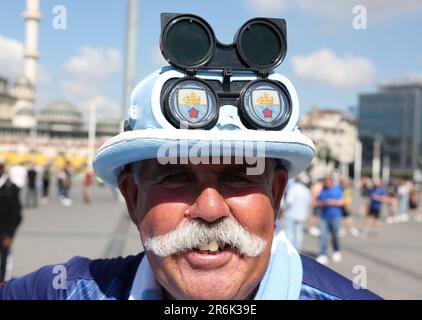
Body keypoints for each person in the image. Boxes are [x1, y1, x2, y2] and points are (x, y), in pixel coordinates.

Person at [0, 13, 381, 300]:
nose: (210, 208)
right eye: (175, 177)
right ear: (132, 197)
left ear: (277, 194)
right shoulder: (69, 290)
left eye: (239, 176)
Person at [0, 162, 22, 282]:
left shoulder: (12, 188)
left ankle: (3, 285)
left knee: (5, 260)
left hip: (4, 231)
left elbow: (16, 215)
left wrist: (10, 235)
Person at [316, 176, 344, 265]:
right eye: (325, 182)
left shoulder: (337, 190)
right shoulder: (323, 191)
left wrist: (332, 202)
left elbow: (342, 202)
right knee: (323, 235)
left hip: (335, 216)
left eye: (328, 182)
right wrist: (324, 203)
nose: (326, 183)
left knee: (335, 234)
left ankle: (336, 250)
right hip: (324, 217)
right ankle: (323, 254)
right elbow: (316, 202)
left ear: (331, 182)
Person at [283, 176, 311, 250]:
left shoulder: (293, 188)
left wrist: (284, 210)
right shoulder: (306, 190)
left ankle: (289, 248)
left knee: (289, 231)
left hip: (291, 213)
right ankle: (298, 247)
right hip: (302, 214)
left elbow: (289, 201)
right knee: (299, 231)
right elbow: (309, 202)